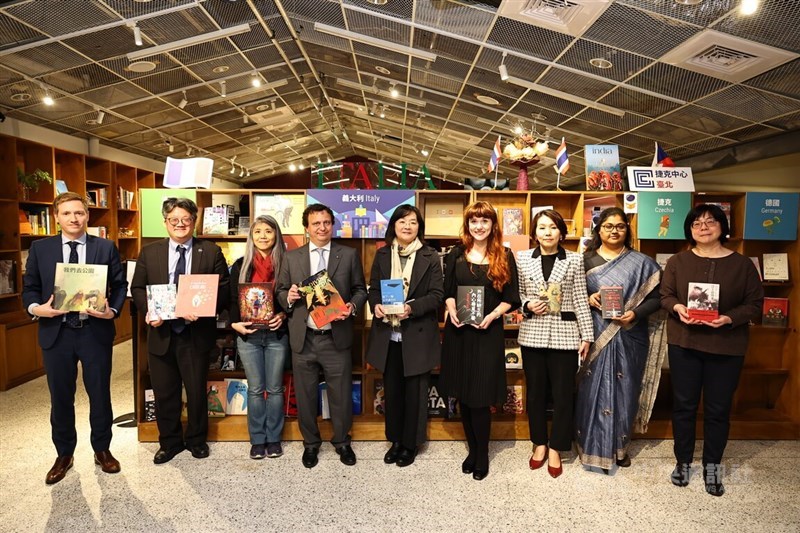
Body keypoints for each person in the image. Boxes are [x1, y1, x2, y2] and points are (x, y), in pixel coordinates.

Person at [22, 192, 127, 484]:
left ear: (87, 216)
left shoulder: (105, 247)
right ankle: (64, 454)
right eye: (67, 213)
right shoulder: (40, 249)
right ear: (56, 217)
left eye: (79, 213)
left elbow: (119, 286)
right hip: (57, 334)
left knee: (100, 395)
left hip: (94, 331)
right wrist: (38, 309)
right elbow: (29, 288)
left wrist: (112, 310)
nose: (73, 218)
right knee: (61, 398)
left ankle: (102, 449)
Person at [660, 204, 762, 497]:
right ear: (689, 230)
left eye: (710, 221)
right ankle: (682, 462)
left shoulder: (742, 265)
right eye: (696, 223)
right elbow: (666, 296)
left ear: (722, 226)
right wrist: (678, 307)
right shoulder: (678, 261)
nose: (703, 227)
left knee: (718, 410)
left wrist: (729, 318)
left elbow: (755, 305)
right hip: (685, 342)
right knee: (684, 406)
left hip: (727, 347)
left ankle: (713, 468)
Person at [131, 197, 230, 464]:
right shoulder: (150, 252)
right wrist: (149, 311)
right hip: (161, 334)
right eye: (174, 220)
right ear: (165, 222)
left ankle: (197, 440)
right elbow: (138, 288)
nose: (180, 224)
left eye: (186, 219)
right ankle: (170, 442)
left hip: (195, 333)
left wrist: (202, 304)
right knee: (165, 392)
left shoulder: (210, 251)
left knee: (197, 390)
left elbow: (223, 288)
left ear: (194, 221)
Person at [276, 203, 367, 468]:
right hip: (303, 338)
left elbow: (360, 290)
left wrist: (352, 307)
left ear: (333, 225)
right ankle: (310, 444)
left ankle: (342, 442)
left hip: (335, 337)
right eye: (316, 223)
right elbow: (281, 292)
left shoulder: (348, 255)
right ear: (306, 228)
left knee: (340, 394)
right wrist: (289, 296)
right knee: (305, 396)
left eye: (327, 222)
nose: (322, 227)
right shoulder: (292, 258)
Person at [574, 207, 662, 472]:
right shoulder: (584, 260)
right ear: (598, 230)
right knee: (591, 391)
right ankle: (588, 445)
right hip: (595, 333)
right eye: (608, 226)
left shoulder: (644, 263)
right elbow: (572, 296)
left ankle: (619, 448)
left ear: (627, 229)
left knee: (626, 391)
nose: (614, 230)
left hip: (630, 334)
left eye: (620, 226)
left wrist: (635, 312)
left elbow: (658, 299)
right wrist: (588, 299)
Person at [439, 201, 519, 481]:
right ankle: (471, 450)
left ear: (493, 225)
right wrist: (451, 308)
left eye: (485, 221)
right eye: (474, 221)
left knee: (481, 398)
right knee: (463, 394)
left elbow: (512, 298)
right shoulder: (456, 254)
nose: (479, 226)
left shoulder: (505, 255)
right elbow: (447, 291)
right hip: (459, 333)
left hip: (487, 334)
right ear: (468, 224)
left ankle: (482, 453)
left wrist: (494, 315)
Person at [365, 205, 444, 467]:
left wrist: (412, 308)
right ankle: (395, 441)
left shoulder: (430, 256)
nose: (407, 226)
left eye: (413, 222)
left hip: (416, 334)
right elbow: (373, 288)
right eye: (402, 222)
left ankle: (411, 444)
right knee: (393, 392)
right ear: (394, 226)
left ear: (419, 227)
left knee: (416, 394)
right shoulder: (382, 254)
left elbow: (436, 296)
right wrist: (375, 304)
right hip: (389, 335)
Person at [517, 209, 593, 478]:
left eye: (552, 227)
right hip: (533, 333)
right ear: (534, 232)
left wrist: (587, 336)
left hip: (565, 333)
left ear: (562, 232)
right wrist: (527, 304)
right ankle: (539, 443)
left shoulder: (574, 260)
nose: (547, 232)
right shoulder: (522, 258)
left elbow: (581, 298)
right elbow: (517, 293)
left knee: (563, 394)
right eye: (541, 228)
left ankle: (556, 447)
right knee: (536, 393)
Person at [228, 215, 289, 460]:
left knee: (274, 389)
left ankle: (273, 439)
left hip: (276, 335)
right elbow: (232, 300)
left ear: (276, 235)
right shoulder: (241, 265)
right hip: (249, 337)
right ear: (251, 237)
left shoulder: (287, 263)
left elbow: (293, 300)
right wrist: (235, 324)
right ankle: (257, 439)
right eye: (258, 232)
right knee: (255, 389)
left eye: (268, 231)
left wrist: (283, 315)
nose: (263, 236)